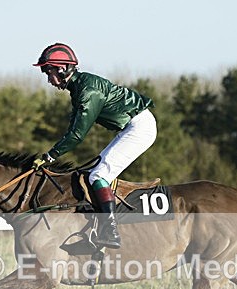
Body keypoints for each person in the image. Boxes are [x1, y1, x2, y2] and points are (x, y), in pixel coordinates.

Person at [32, 43, 156, 249]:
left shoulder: (87, 91)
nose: (48, 79)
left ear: (62, 69)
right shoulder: (79, 87)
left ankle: (111, 232)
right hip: (131, 127)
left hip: (139, 128)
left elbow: (77, 135)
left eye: (48, 72)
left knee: (98, 176)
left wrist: (51, 155)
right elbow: (73, 128)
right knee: (91, 173)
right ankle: (97, 228)